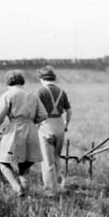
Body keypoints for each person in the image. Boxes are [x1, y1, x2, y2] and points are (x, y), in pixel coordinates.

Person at [0, 70, 47, 197]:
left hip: (16, 130)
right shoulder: (32, 95)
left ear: (8, 82)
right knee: (25, 166)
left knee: (3, 161)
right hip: (32, 131)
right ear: (22, 82)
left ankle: (17, 188)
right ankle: (25, 197)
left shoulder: (8, 95)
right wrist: (31, 121)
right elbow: (43, 115)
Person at [35, 65, 72, 196]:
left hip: (46, 125)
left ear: (42, 78)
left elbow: (35, 111)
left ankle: (50, 190)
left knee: (47, 160)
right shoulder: (62, 92)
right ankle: (60, 185)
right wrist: (66, 124)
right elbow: (69, 111)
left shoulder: (40, 92)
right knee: (57, 157)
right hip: (60, 125)